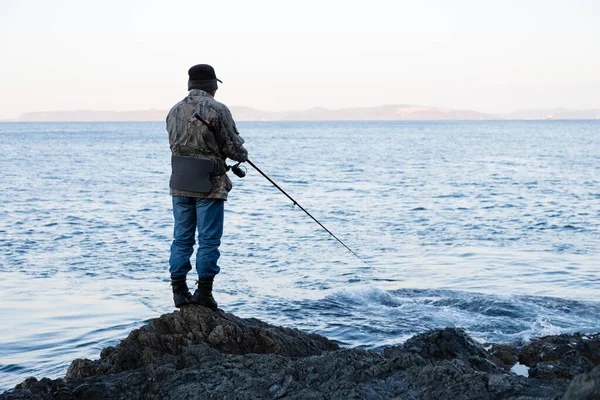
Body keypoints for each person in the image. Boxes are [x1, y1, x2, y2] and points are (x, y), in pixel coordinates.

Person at [166, 64, 248, 309]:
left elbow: (176, 145)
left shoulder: (173, 111)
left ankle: (179, 291)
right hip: (209, 185)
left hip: (180, 182)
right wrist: (242, 154)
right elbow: (233, 148)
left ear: (190, 85)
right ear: (212, 85)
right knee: (209, 240)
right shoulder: (218, 109)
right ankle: (204, 293)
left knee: (181, 239)